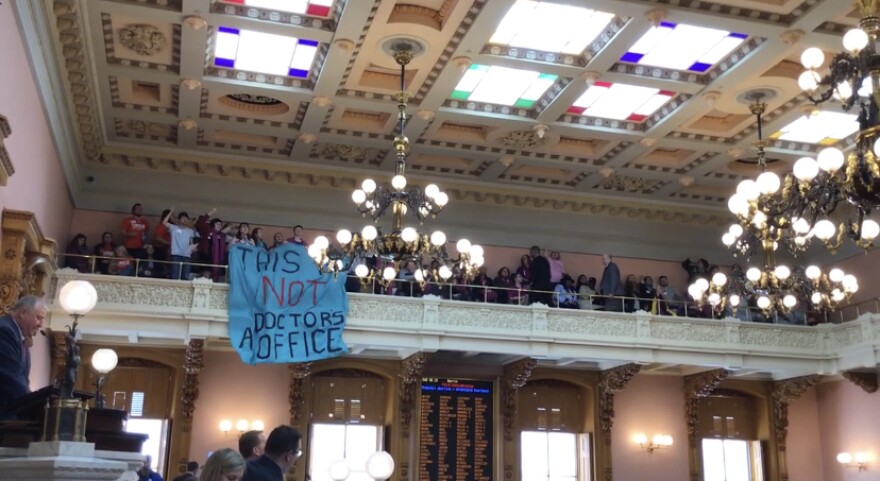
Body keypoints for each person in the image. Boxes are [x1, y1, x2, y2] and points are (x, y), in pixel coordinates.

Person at [0, 296, 46, 414]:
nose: (41, 324)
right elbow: (11, 378)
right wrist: (36, 405)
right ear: (22, 313)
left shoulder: (19, 337)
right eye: (38, 318)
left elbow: (22, 379)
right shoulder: (5, 331)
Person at [164, 209, 197, 281]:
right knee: (175, 275)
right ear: (179, 220)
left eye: (186, 218)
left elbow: (191, 242)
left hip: (187, 255)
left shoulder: (190, 231)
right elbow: (164, 222)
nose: (185, 220)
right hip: (176, 254)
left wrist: (193, 248)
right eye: (183, 218)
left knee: (185, 276)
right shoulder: (173, 228)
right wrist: (171, 212)